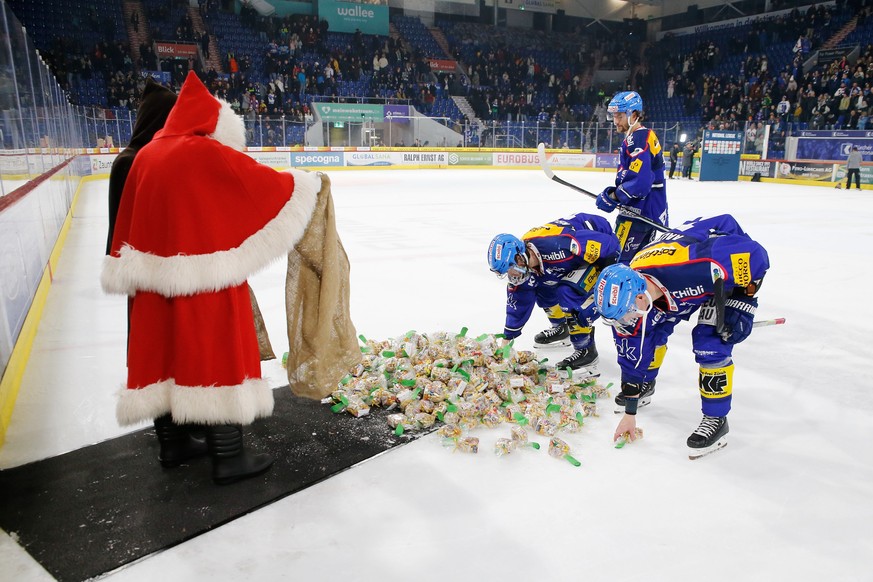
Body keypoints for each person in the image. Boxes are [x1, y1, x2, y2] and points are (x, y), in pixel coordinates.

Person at [102, 71, 321, 484]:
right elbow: (256, 185)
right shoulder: (200, 151)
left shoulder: (146, 155)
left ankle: (173, 443)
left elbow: (123, 229)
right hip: (205, 280)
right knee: (216, 354)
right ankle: (229, 456)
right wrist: (307, 184)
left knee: (162, 356)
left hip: (150, 285)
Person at [593, 215, 770, 458]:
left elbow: (757, 256)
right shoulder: (629, 301)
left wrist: (744, 299)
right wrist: (630, 414)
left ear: (641, 297)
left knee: (710, 343)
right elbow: (632, 354)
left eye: (627, 313)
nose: (626, 321)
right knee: (650, 332)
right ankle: (648, 383)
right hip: (674, 280)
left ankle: (716, 420)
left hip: (716, 268)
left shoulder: (700, 263)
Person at [487, 212, 620, 372]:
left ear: (519, 258)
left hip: (602, 247)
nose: (511, 275)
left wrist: (609, 276)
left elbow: (609, 245)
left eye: (510, 269)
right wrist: (507, 339)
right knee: (542, 284)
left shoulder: (559, 245)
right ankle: (562, 326)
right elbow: (519, 301)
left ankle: (586, 350)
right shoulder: (526, 262)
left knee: (568, 292)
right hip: (572, 257)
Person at [595, 91, 669, 265]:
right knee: (638, 264)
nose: (615, 121)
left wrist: (614, 196)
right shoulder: (641, 136)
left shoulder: (639, 138)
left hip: (637, 214)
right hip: (649, 211)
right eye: (613, 116)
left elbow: (641, 182)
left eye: (619, 116)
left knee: (616, 263)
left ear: (634, 115)